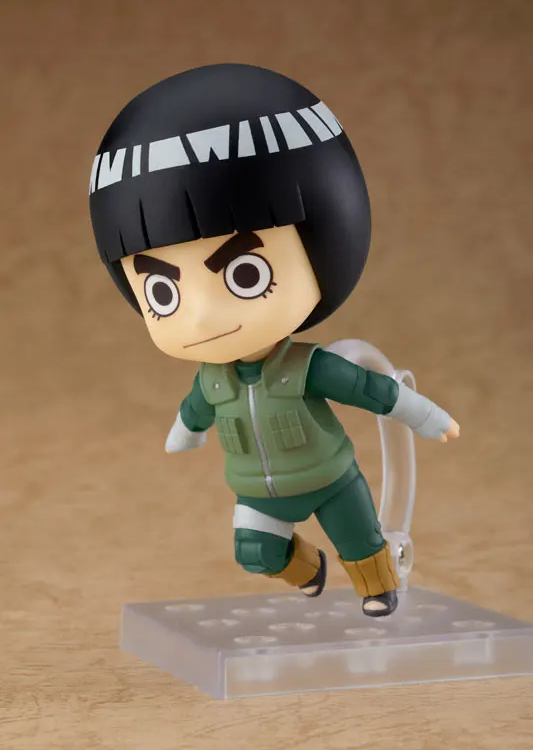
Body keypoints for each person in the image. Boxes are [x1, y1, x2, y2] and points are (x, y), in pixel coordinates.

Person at [89, 63, 459, 617]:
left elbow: (373, 391)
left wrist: (426, 416)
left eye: (245, 274)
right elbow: (194, 410)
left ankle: (379, 589)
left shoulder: (309, 367)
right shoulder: (213, 379)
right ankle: (309, 571)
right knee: (255, 552)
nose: (203, 316)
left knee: (362, 546)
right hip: (256, 488)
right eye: (164, 292)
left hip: (330, 478)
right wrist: (184, 434)